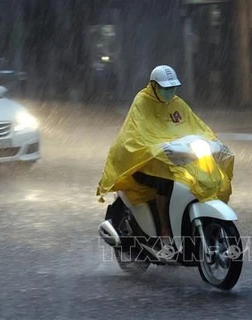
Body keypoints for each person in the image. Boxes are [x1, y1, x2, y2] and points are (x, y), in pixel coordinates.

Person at [97, 65, 233, 244]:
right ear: (153, 86)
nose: (170, 91)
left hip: (172, 158)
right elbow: (138, 134)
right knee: (167, 184)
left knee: (203, 178)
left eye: (173, 88)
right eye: (165, 88)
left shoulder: (177, 103)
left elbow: (196, 126)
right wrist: (157, 148)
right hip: (143, 161)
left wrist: (214, 142)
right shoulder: (142, 101)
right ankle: (165, 231)